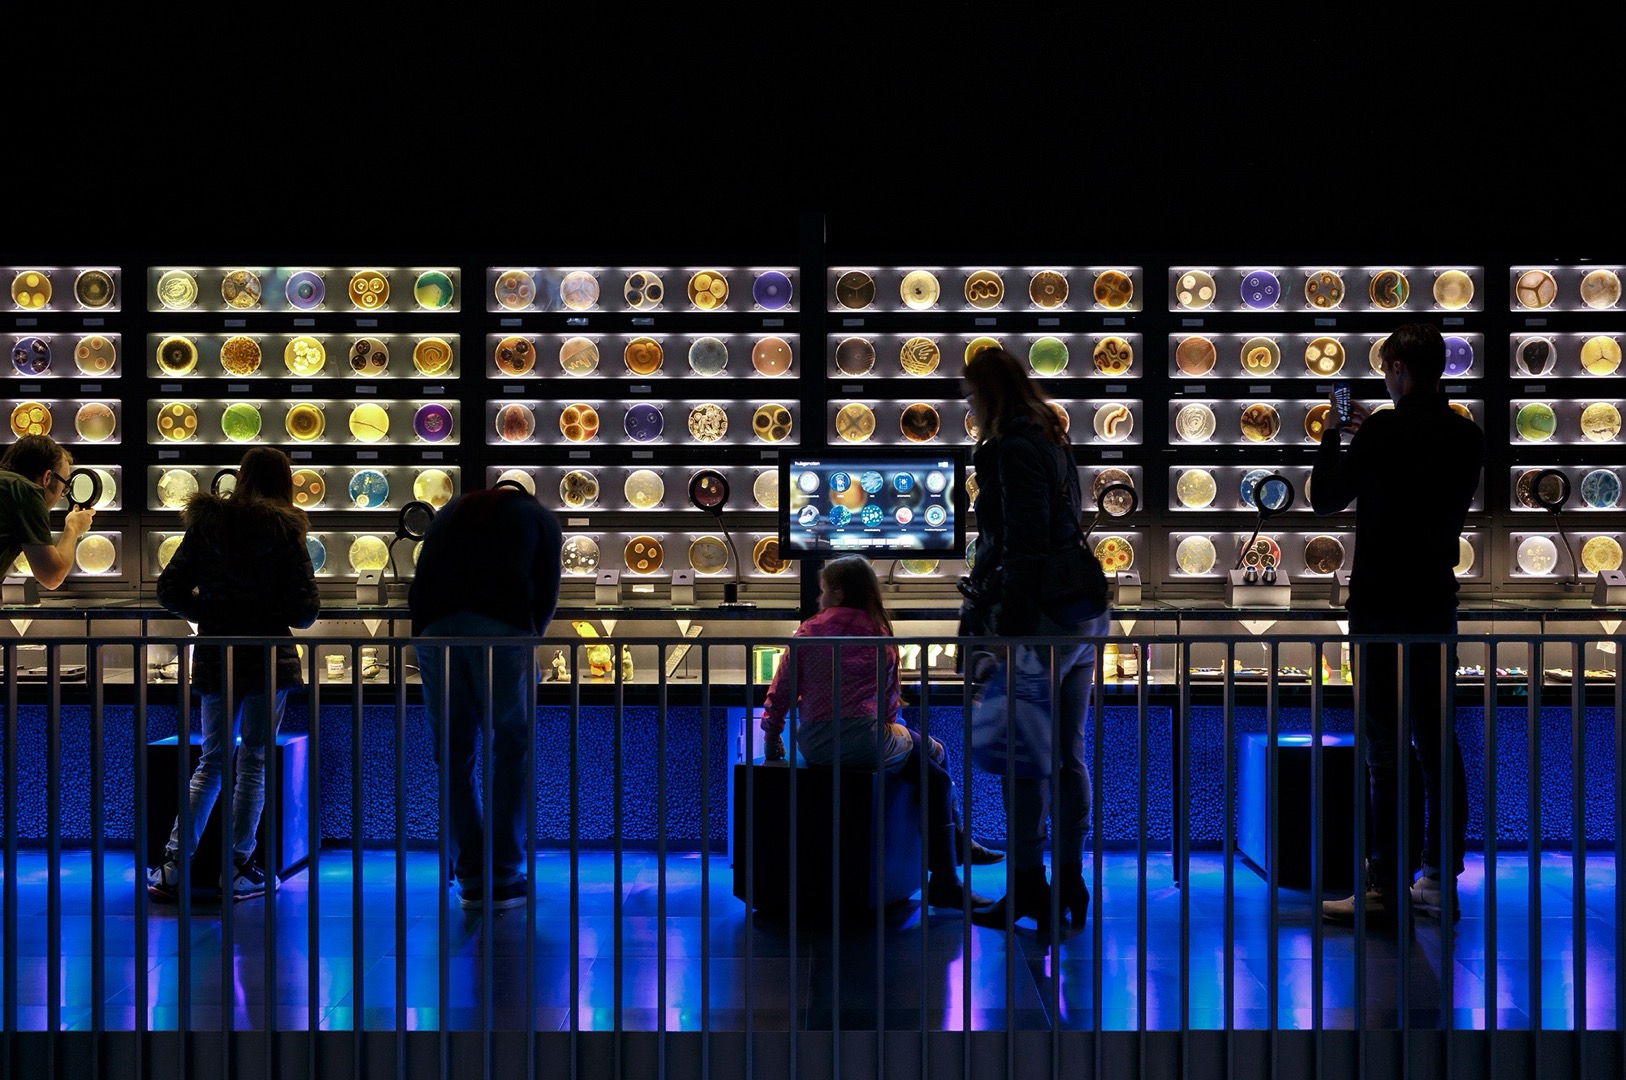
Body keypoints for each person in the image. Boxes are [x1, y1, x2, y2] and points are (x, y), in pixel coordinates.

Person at [1312, 323, 1484, 925]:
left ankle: (1385, 886)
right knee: (1438, 744)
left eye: (1388, 369)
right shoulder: (1468, 436)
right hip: (1436, 603)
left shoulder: (1381, 430)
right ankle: (1439, 878)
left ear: (1399, 370)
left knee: (1385, 751)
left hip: (1381, 608)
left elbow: (1325, 497)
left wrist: (1334, 436)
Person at [958, 346, 1112, 932]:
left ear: (988, 393)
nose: (969, 405)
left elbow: (1021, 545)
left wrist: (1008, 638)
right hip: (1079, 615)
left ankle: (1027, 885)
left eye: (973, 394)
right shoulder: (1051, 435)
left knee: (1025, 759)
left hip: (1039, 623)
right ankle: (1071, 880)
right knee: (1068, 753)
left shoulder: (1013, 447)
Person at [758, 555, 995, 911]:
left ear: (836, 593)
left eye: (822, 591)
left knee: (929, 767)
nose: (818, 599)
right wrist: (887, 725)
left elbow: (781, 691)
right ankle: (949, 863)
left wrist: (771, 736)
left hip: (814, 743)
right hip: (866, 740)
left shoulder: (808, 631)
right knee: (934, 752)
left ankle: (953, 858)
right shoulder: (877, 633)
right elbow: (888, 705)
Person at [150, 447, 320, 902]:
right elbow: (306, 610)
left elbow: (169, 589)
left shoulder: (208, 525)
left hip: (216, 655)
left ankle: (172, 865)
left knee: (212, 762)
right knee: (256, 764)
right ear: (284, 481)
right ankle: (240, 868)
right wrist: (264, 612)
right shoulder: (286, 531)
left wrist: (212, 613)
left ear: (240, 478)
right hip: (268, 657)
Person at [410, 482, 561, 911]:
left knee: (453, 753)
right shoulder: (539, 518)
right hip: (502, 627)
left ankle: (472, 875)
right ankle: (505, 872)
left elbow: (424, 575)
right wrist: (530, 637)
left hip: (433, 628)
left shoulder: (452, 511)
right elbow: (545, 595)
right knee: (511, 746)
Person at [0, 434, 96, 589]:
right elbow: (52, 576)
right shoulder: (24, 491)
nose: (60, 496)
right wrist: (73, 528)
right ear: (47, 477)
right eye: (64, 485)